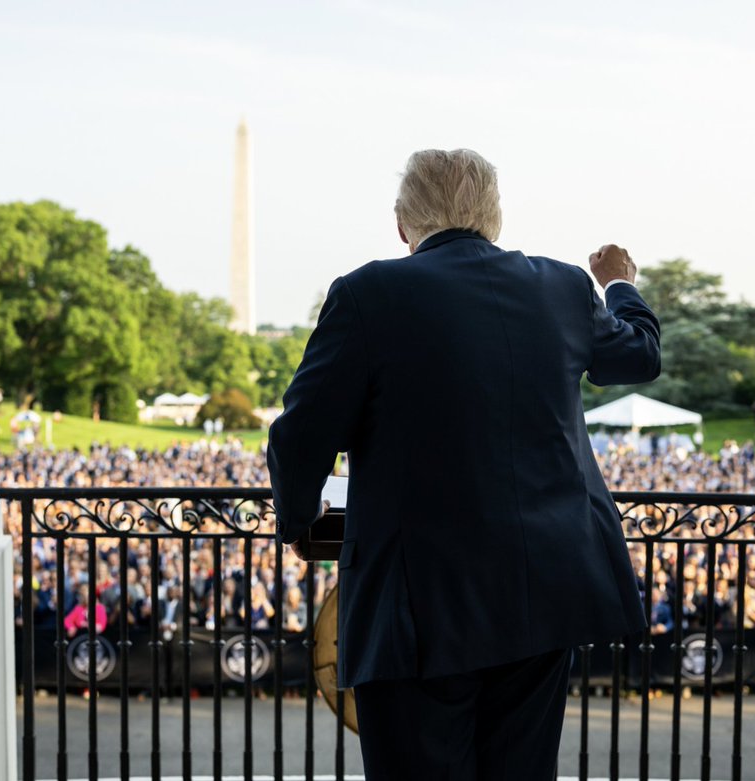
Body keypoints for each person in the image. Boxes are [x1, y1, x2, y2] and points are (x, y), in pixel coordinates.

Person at [267, 148, 661, 780]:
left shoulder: (367, 293)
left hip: (417, 605)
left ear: (403, 224)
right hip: (543, 592)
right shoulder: (563, 287)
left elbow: (300, 434)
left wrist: (298, 519)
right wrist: (618, 284)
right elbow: (638, 356)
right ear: (494, 218)